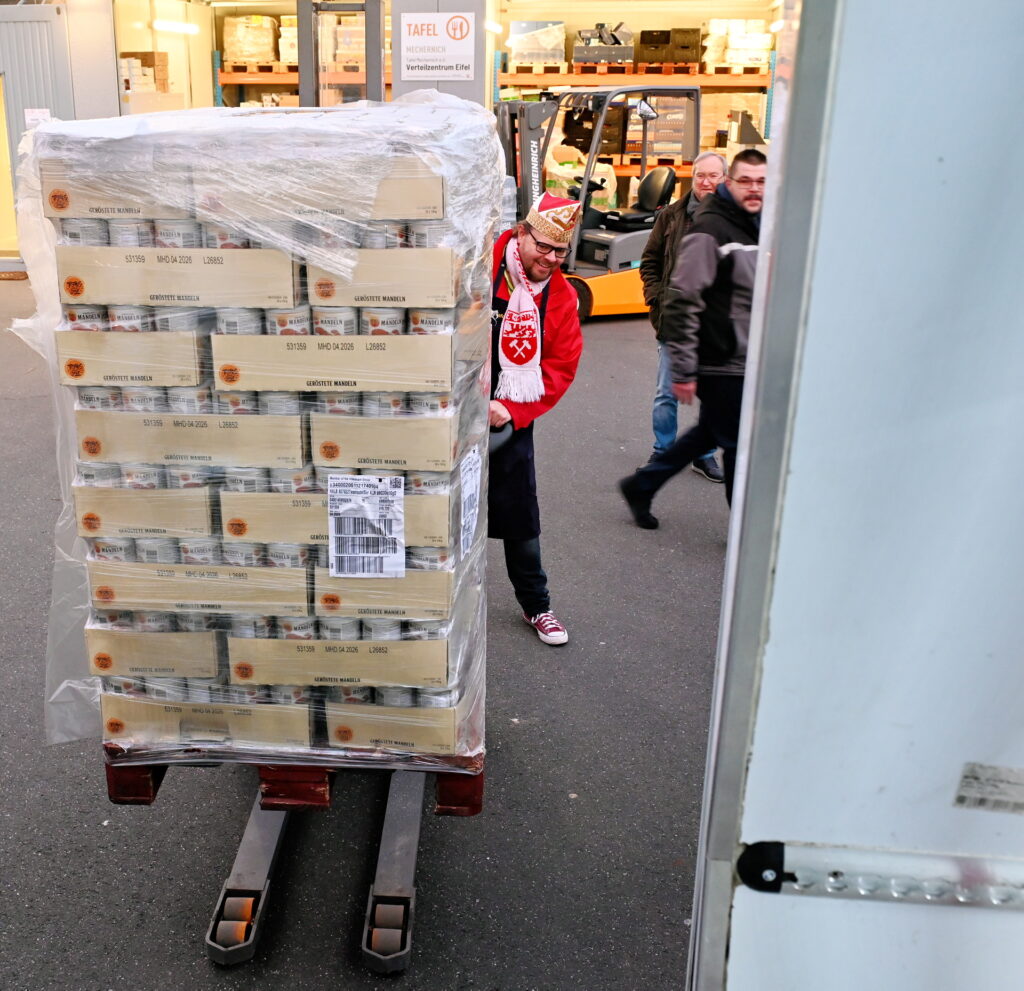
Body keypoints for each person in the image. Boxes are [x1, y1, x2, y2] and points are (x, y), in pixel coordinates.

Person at [618, 149, 767, 528]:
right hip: (719, 353)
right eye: (746, 180)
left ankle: (642, 485)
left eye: (761, 181)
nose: (754, 188)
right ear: (731, 183)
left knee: (711, 433)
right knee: (731, 440)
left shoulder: (754, 223)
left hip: (741, 352)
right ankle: (743, 531)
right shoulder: (709, 227)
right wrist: (682, 364)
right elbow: (683, 296)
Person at [489, 193, 583, 644]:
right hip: (450, 407)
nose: (549, 258)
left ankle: (537, 606)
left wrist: (511, 409)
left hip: (507, 415)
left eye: (559, 251)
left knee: (519, 515)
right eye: (542, 246)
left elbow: (561, 366)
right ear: (522, 233)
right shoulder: (482, 265)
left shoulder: (560, 298)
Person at [639, 151, 728, 483]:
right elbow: (649, 261)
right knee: (667, 392)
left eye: (713, 176)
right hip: (676, 319)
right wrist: (656, 298)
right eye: (700, 175)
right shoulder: (672, 215)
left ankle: (703, 455)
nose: (706, 182)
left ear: (724, 179)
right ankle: (663, 451)